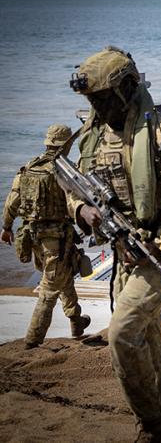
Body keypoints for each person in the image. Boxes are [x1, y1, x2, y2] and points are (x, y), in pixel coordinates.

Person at [68, 46, 161, 442]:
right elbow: (74, 187)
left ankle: (150, 426)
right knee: (147, 341)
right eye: (91, 100)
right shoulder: (93, 139)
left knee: (122, 335)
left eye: (102, 98)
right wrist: (82, 210)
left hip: (159, 254)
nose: (97, 106)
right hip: (122, 254)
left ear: (127, 89)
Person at [1, 124, 91, 350]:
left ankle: (76, 321)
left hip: (34, 237)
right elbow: (77, 203)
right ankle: (33, 339)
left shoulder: (30, 167)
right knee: (50, 287)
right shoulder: (65, 171)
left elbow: (13, 201)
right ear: (66, 145)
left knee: (64, 275)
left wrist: (6, 227)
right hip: (57, 240)